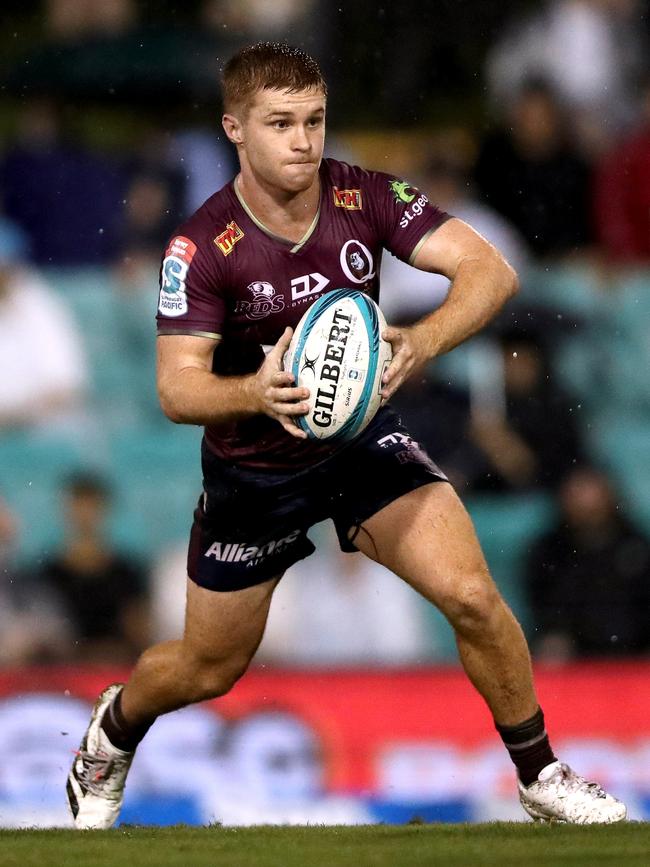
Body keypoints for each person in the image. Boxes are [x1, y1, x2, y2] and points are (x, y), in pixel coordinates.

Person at [67, 42, 626, 829]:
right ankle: (116, 725)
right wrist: (255, 391)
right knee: (206, 667)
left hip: (359, 442)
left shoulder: (365, 195)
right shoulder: (201, 246)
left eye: (316, 120)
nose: (304, 140)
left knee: (471, 595)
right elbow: (174, 387)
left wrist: (421, 341)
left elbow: (489, 269)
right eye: (281, 123)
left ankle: (540, 773)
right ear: (235, 128)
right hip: (253, 471)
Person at [526, 465, 650, 661]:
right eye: (577, 494)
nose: (587, 504)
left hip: (634, 647)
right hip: (573, 648)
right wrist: (554, 634)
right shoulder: (550, 550)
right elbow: (543, 604)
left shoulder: (636, 545)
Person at [37, 472, 150, 664]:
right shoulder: (47, 574)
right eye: (79, 505)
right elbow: (44, 636)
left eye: (92, 506)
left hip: (115, 666)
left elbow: (139, 633)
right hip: (64, 669)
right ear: (66, 510)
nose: (85, 515)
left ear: (105, 509)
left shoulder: (127, 572)